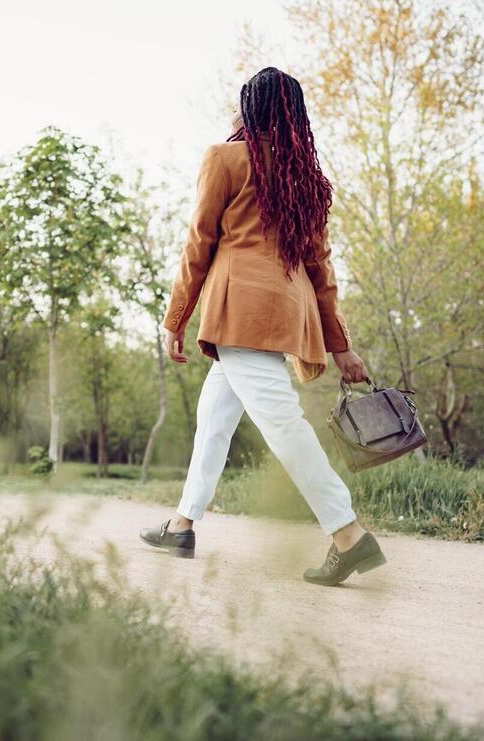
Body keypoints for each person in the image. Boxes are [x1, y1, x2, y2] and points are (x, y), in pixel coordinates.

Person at [139, 67, 387, 587]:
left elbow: (198, 244)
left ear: (249, 108)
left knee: (284, 427)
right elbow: (322, 272)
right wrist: (340, 346)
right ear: (295, 115)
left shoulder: (226, 158)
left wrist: (175, 319)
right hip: (285, 316)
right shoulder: (308, 181)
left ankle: (348, 534)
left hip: (240, 314)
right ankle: (183, 524)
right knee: (214, 420)